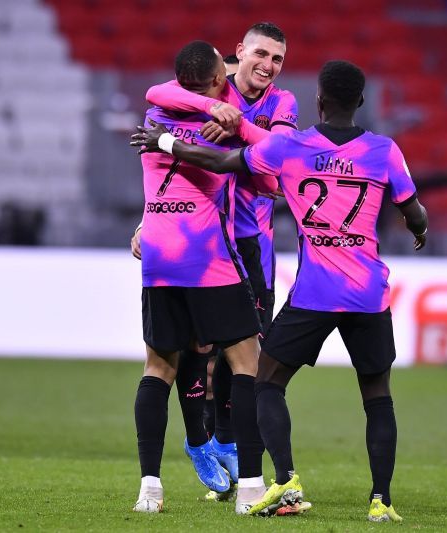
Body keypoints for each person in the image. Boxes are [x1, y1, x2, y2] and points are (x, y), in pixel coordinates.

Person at [131, 59, 428, 521]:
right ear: (362, 102)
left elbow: (222, 160)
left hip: (313, 293)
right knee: (377, 395)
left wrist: (166, 142)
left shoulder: (292, 147)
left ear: (319, 100)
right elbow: (414, 210)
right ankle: (380, 501)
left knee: (266, 380)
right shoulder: (385, 150)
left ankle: (285, 480)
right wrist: (419, 229)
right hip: (368, 292)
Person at [142, 25, 297, 493]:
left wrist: (234, 129)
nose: (267, 65)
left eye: (277, 58)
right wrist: (213, 107)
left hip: (252, 244)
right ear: (238, 54)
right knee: (193, 349)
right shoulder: (213, 86)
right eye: (261, 54)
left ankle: (229, 443)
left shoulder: (282, 104)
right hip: (204, 238)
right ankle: (199, 441)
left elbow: (277, 169)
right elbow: (157, 95)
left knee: (244, 356)